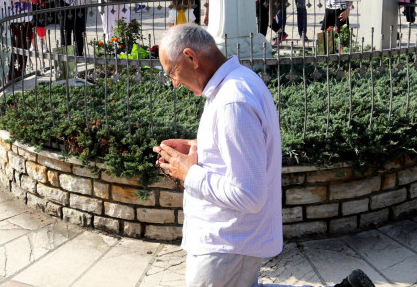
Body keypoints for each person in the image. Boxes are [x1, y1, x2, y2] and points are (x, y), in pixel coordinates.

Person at [154, 24, 374, 287]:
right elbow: (241, 149)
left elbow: (249, 194)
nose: (175, 83)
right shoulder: (236, 83)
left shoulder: (232, 102)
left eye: (173, 72)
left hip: (226, 243)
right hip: (226, 240)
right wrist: (198, 147)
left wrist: (188, 172)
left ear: (191, 57)